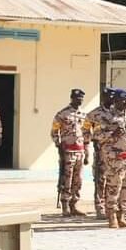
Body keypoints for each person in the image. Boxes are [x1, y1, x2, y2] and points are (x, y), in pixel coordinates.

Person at [99, 90, 126, 229]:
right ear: (115, 101)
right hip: (115, 159)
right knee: (113, 188)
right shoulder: (107, 116)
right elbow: (97, 135)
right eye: (122, 100)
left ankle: (122, 215)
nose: (125, 102)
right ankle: (112, 216)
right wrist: (112, 133)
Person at [51, 88, 89, 217]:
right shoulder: (62, 114)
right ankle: (65, 205)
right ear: (72, 98)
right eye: (77, 98)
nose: (80, 101)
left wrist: (87, 151)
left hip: (80, 151)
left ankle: (74, 204)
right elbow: (54, 131)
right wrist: (59, 145)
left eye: (82, 99)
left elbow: (87, 133)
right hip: (68, 151)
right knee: (67, 178)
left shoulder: (84, 114)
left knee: (78, 180)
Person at [84, 88, 115, 218]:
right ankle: (100, 207)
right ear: (103, 97)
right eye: (109, 96)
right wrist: (90, 141)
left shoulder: (117, 112)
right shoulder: (93, 114)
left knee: (113, 179)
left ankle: (111, 206)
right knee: (100, 179)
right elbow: (85, 130)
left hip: (115, 151)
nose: (111, 98)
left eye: (113, 96)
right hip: (101, 151)